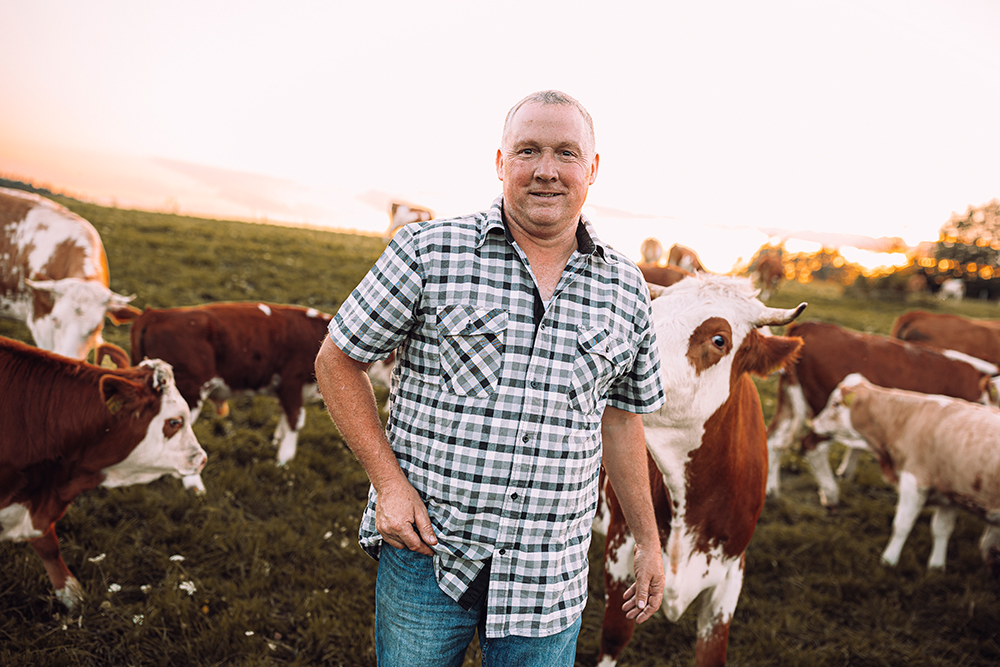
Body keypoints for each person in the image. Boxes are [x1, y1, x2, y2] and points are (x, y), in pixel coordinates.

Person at [314, 90, 666, 666]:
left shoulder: (626, 289)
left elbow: (623, 420)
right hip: (430, 555)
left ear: (593, 168)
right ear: (501, 162)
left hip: (548, 576)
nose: (547, 170)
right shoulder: (428, 251)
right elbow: (337, 359)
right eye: (528, 151)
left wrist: (649, 542)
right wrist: (388, 483)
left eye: (566, 153)